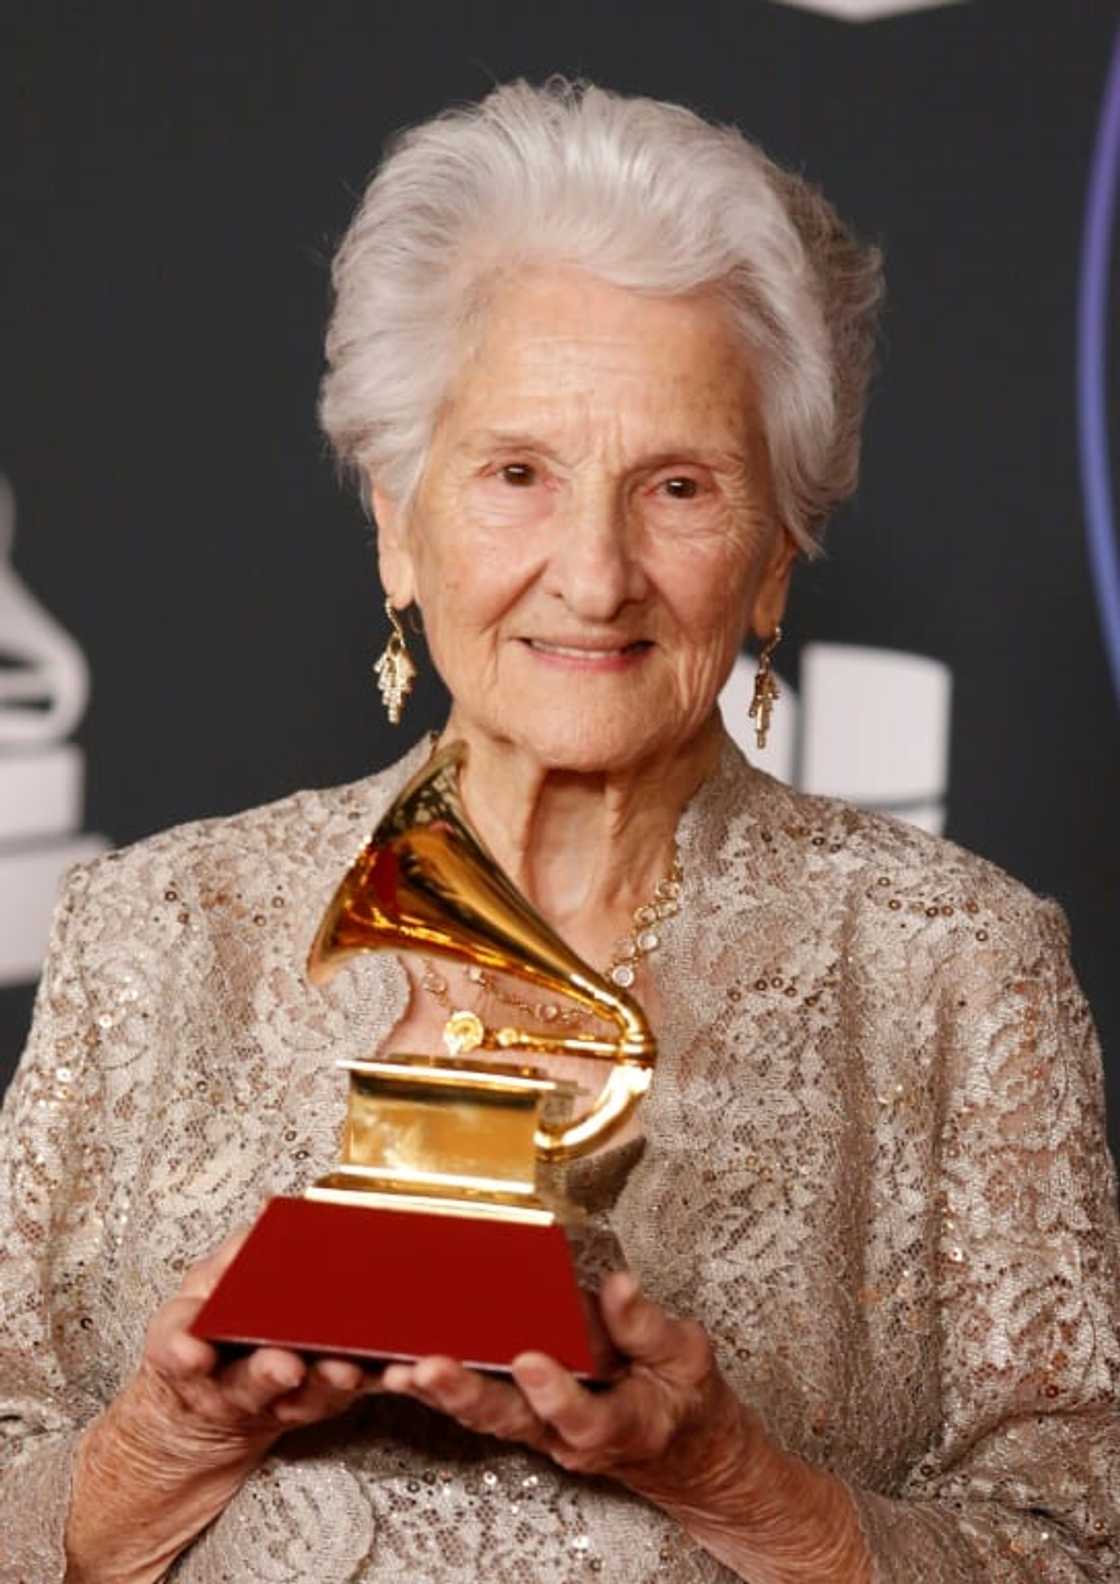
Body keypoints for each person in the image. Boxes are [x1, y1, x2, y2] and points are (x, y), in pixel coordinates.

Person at [2, 77, 1118, 1584]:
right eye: (518, 474)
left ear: (778, 556)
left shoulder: (960, 971)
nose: (593, 576)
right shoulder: (155, 928)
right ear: (399, 518)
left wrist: (735, 1481)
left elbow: (1081, 1545)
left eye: (678, 486)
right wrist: (167, 1443)